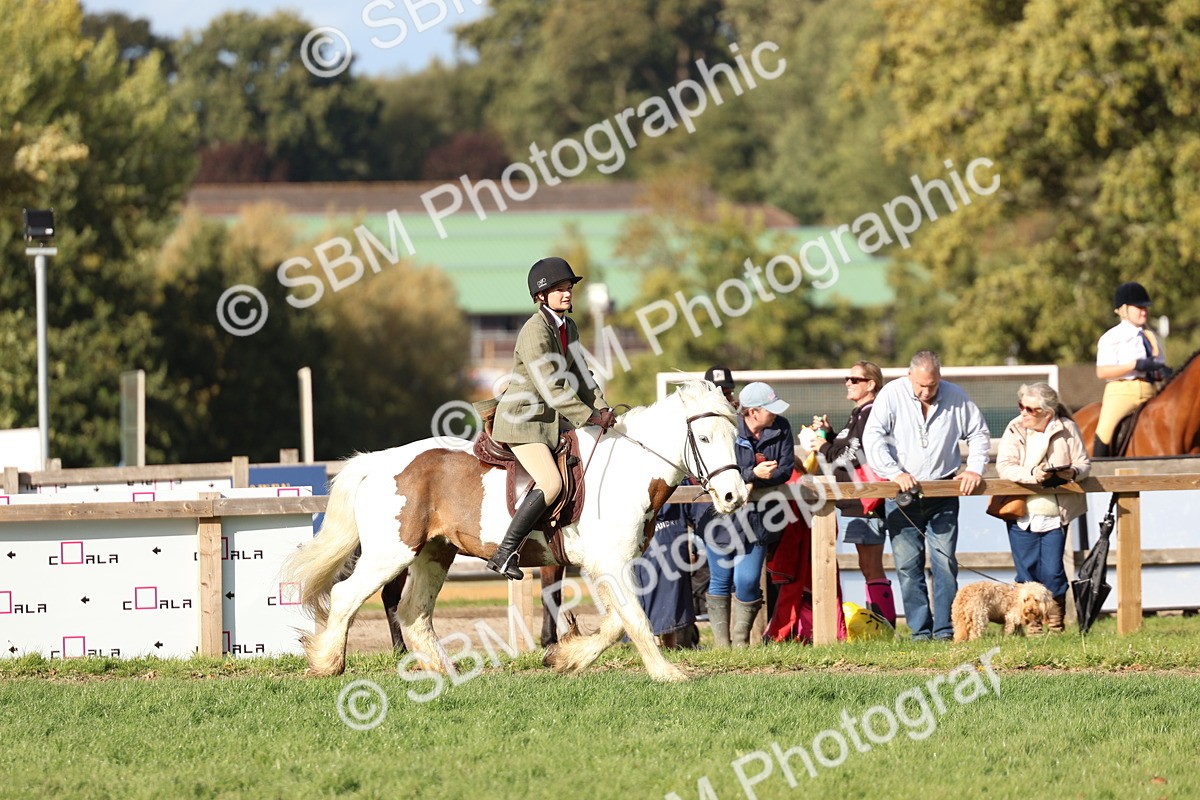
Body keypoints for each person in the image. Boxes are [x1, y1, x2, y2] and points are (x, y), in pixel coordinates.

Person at [486, 257, 617, 580]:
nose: (567, 293)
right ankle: (505, 552)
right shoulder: (534, 330)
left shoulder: (567, 327)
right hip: (523, 421)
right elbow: (552, 386)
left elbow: (582, 376)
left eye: (569, 287)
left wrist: (603, 409)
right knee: (551, 482)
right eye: (559, 289)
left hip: (552, 421)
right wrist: (588, 415)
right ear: (541, 296)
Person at [863, 350, 990, 641]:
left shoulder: (956, 396)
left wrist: (974, 469)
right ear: (909, 376)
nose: (926, 391)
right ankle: (920, 632)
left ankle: (945, 630)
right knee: (908, 566)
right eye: (920, 385)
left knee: (945, 563)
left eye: (932, 385)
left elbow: (979, 434)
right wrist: (894, 471)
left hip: (944, 490)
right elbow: (873, 437)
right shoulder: (891, 395)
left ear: (939, 378)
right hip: (902, 495)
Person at [695, 381, 794, 647]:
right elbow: (718, 469)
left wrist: (754, 480)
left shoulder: (782, 427)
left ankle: (741, 643)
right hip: (721, 519)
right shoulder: (726, 427)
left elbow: (786, 469)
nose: (774, 413)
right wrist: (753, 474)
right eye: (769, 409)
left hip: (760, 519)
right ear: (753, 412)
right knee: (720, 579)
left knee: (747, 580)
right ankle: (722, 646)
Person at [996, 383, 1091, 633]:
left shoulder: (1067, 428)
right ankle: (1031, 626)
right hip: (1020, 513)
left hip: (1056, 515)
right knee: (1025, 573)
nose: (1023, 412)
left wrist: (1072, 472)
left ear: (1047, 412)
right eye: (1021, 406)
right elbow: (1005, 466)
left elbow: (1083, 463)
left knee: (1053, 571)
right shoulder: (1014, 428)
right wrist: (1032, 474)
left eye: (1030, 408)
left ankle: (1056, 624)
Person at [812, 360, 896, 627]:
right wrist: (829, 434)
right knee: (866, 565)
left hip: (866, 499)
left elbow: (854, 455)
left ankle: (884, 625)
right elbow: (847, 445)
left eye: (854, 379)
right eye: (846, 379)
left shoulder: (871, 412)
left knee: (871, 565)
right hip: (854, 500)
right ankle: (878, 623)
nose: (848, 383)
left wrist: (823, 446)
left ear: (871, 384)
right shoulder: (858, 413)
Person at [1093, 281, 1170, 457]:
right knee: (1104, 431)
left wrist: (1162, 372)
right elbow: (1102, 372)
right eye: (1139, 307)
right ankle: (1099, 468)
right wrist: (1134, 365)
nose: (1144, 311)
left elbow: (1157, 365)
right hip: (1122, 392)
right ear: (1123, 309)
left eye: (1145, 307)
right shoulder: (1112, 337)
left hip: (1150, 390)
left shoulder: (1151, 337)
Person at [633, 498, 698, 649]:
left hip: (671, 542)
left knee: (671, 596)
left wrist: (695, 545)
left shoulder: (681, 482)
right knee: (652, 595)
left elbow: (693, 511)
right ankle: (653, 644)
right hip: (647, 545)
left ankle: (670, 644)